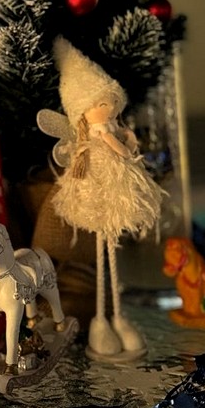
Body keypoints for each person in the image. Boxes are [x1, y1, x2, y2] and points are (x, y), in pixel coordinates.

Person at [38, 36, 164, 359]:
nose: (110, 106)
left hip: (111, 193)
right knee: (101, 249)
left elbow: (125, 144)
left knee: (110, 251)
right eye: (103, 102)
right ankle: (100, 321)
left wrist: (127, 138)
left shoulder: (109, 126)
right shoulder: (99, 133)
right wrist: (124, 145)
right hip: (97, 195)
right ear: (83, 110)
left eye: (111, 101)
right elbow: (121, 151)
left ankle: (118, 318)